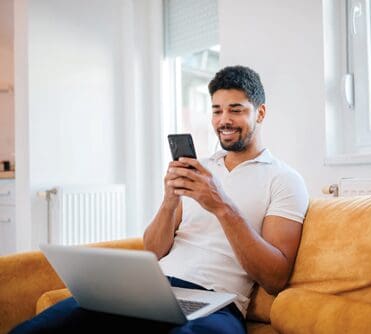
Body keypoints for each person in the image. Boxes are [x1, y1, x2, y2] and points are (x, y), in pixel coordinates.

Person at [11, 65, 309, 333]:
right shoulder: (199, 169)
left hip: (217, 304)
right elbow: (153, 251)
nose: (224, 120)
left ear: (260, 113)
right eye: (217, 111)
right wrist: (169, 201)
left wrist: (221, 205)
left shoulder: (284, 180)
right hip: (149, 291)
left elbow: (274, 278)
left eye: (236, 110)